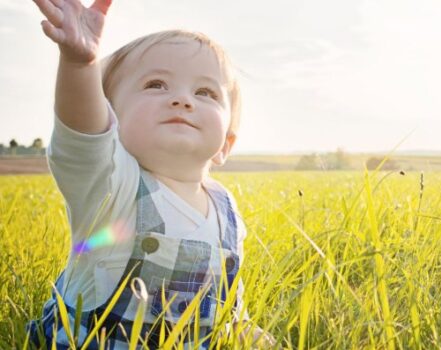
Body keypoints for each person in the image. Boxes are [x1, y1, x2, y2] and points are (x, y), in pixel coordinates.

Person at [26, 0, 274, 347]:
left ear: (225, 145)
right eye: (156, 84)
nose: (183, 100)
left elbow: (227, 306)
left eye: (205, 92)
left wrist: (250, 332)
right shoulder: (112, 186)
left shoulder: (225, 209)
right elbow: (82, 136)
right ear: (110, 118)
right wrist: (79, 64)